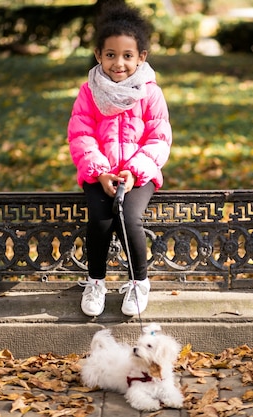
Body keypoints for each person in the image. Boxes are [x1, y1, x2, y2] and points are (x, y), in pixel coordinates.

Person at [67, 3, 172, 317]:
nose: (119, 63)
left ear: (141, 57)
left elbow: (159, 137)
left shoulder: (150, 94)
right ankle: (96, 281)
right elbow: (80, 135)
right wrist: (99, 171)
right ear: (99, 55)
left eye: (128, 55)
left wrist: (134, 172)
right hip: (99, 173)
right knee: (99, 221)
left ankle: (139, 282)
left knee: (127, 217)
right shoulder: (89, 92)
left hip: (138, 174)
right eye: (111, 55)